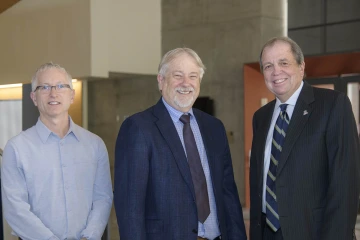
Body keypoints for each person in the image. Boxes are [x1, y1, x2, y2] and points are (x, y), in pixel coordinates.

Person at [114, 48, 247, 240]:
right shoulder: (138, 128)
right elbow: (130, 206)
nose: (186, 83)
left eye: (193, 76)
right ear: (161, 81)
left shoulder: (214, 127)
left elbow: (228, 195)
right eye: (178, 76)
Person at [249, 36, 360, 240]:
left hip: (314, 233)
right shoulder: (260, 117)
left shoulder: (333, 105)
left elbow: (345, 184)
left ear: (301, 67)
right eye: (268, 66)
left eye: (284, 63)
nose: (276, 72)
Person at [1, 63, 113, 240]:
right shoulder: (16, 149)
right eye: (44, 87)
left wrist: (90, 236)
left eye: (61, 86)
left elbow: (103, 198)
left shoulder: (95, 145)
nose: (53, 93)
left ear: (72, 95)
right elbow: (16, 209)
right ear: (34, 97)